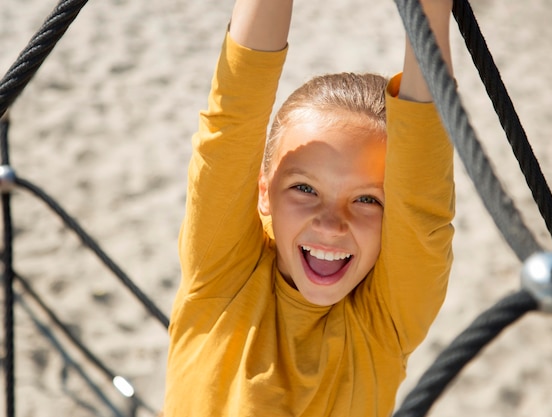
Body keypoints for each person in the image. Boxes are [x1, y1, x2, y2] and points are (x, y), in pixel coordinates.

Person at [164, 0, 454, 415]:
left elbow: (424, 197)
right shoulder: (222, 273)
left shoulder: (384, 322)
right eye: (304, 188)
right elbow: (232, 119)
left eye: (367, 199)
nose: (332, 224)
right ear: (263, 192)